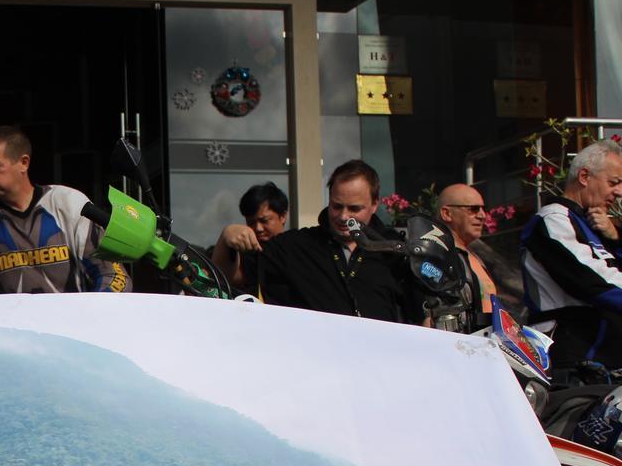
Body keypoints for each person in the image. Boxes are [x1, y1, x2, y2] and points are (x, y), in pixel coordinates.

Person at [0, 126, 130, 295]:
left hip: (71, 326)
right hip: (6, 329)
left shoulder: (69, 203)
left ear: (24, 163)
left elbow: (114, 277)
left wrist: (91, 319)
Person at [258, 159, 424, 324]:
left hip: (379, 349)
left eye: (354, 208)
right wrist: (233, 238)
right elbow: (242, 271)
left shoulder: (396, 252)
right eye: (337, 206)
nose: (343, 216)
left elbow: (421, 312)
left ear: (374, 204)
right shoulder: (295, 246)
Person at [521, 139, 622, 371]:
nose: (619, 192)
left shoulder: (594, 224)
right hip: (569, 355)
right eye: (613, 182)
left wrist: (616, 237)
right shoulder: (553, 218)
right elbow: (591, 279)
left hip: (603, 354)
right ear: (585, 177)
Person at [437, 183, 525, 320]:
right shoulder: (438, 255)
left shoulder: (475, 257)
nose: (482, 215)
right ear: (447, 213)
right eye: (473, 209)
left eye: (483, 209)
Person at [210, 182, 289, 298]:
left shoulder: (300, 250)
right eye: (251, 222)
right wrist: (226, 235)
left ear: (283, 216)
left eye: (264, 220)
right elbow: (219, 278)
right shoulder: (247, 255)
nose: (258, 228)